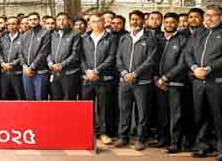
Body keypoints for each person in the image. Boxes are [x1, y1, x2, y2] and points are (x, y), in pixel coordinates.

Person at [186, 5, 222, 161]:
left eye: (213, 15)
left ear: (221, 17)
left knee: (221, 117)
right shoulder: (198, 33)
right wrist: (195, 68)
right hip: (198, 82)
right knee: (201, 116)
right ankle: (203, 146)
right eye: (207, 15)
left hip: (219, 83)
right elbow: (188, 53)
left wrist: (208, 69)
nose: (209, 18)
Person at [115, 11, 157, 150]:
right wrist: (124, 73)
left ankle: (140, 139)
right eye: (132, 19)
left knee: (143, 113)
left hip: (142, 83)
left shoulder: (150, 38)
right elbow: (118, 58)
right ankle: (123, 137)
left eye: (138, 19)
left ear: (143, 21)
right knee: (124, 111)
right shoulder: (124, 38)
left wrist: (135, 73)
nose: (135, 21)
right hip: (124, 82)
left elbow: (150, 60)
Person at [153, 13, 189, 153]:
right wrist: (156, 78)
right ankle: (163, 139)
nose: (169, 24)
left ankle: (175, 143)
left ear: (177, 23)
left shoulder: (183, 40)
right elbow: (152, 60)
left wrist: (165, 78)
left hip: (176, 84)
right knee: (162, 113)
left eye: (172, 22)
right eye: (166, 22)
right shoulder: (158, 39)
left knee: (176, 115)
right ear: (163, 23)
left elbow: (182, 64)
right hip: (158, 83)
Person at [81, 14, 119, 146]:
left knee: (104, 107)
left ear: (104, 22)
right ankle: (88, 131)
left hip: (104, 78)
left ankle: (103, 133)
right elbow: (81, 57)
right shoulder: (84, 38)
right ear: (89, 24)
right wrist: (87, 71)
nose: (96, 24)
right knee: (87, 106)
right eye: (93, 21)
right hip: (87, 78)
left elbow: (111, 57)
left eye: (98, 21)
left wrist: (96, 71)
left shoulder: (111, 38)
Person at [48, 13, 82, 101]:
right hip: (55, 72)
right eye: (59, 20)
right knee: (56, 99)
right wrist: (49, 62)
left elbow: (75, 55)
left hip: (69, 73)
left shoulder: (75, 35)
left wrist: (61, 65)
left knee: (69, 99)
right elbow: (49, 52)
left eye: (64, 19)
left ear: (69, 21)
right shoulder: (53, 35)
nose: (61, 22)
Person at [21, 13, 51, 101]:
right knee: (29, 99)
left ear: (39, 20)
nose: (32, 21)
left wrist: (31, 67)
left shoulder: (45, 33)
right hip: (26, 72)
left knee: (40, 99)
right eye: (30, 20)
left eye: (34, 19)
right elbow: (20, 53)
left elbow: (43, 53)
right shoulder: (25, 35)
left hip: (40, 72)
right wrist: (24, 66)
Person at [0, 17, 25, 100]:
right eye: (9, 24)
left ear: (18, 25)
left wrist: (12, 64)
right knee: (4, 97)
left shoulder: (23, 38)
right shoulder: (3, 38)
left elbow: (23, 55)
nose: (11, 26)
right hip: (4, 73)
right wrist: (2, 63)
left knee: (19, 97)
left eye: (13, 24)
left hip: (17, 73)